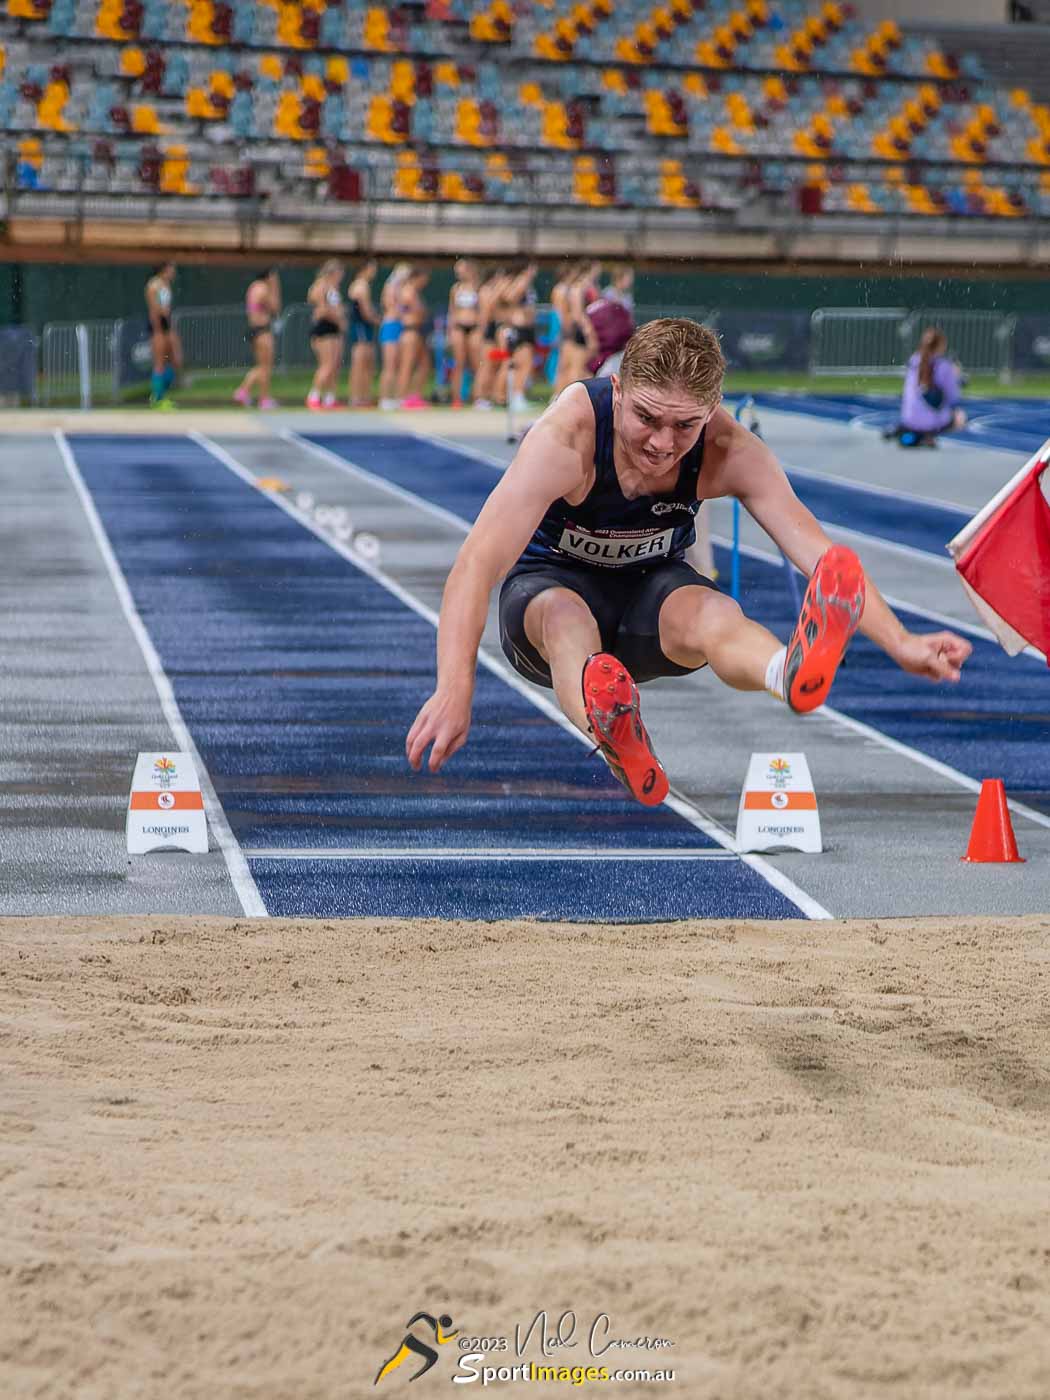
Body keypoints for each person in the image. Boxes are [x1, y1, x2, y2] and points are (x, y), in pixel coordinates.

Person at [406, 318, 972, 805]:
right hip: (548, 590)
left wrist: (901, 643)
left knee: (713, 611)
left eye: (685, 426)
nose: (662, 443)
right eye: (648, 418)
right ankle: (612, 732)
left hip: (654, 598)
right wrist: (454, 687)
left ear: (713, 411)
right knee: (564, 620)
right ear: (617, 389)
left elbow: (825, 562)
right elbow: (477, 565)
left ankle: (788, 672)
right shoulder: (568, 437)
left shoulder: (729, 449)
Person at [885, 327, 967, 447]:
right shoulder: (945, 366)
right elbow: (952, 397)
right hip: (931, 420)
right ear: (941, 346)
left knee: (920, 414)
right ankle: (927, 435)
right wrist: (958, 378)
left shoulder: (914, 360)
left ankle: (910, 434)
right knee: (960, 416)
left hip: (908, 417)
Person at [234, 267, 281, 410]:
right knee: (265, 367)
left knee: (262, 366)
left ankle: (250, 394)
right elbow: (275, 307)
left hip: (255, 329)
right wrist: (275, 287)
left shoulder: (253, 287)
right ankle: (256, 396)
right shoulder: (264, 289)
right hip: (262, 330)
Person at [306, 258, 345, 411]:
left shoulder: (332, 287)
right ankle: (313, 396)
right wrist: (338, 319)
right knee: (326, 365)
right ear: (333, 272)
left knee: (334, 365)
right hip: (324, 328)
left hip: (334, 328)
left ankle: (330, 398)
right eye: (340, 273)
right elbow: (322, 310)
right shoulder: (320, 286)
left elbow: (335, 306)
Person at [145, 262, 182, 410]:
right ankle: (157, 399)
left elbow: (167, 309)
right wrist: (159, 331)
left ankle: (160, 395)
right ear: (164, 269)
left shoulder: (166, 285)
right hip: (158, 327)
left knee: (175, 362)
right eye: (172, 268)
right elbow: (155, 309)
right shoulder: (154, 285)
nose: (174, 271)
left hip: (167, 326)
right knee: (160, 363)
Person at [346, 258, 380, 408]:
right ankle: (356, 397)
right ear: (365, 268)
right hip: (361, 327)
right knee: (360, 363)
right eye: (373, 268)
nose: (375, 271)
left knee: (366, 364)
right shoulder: (361, 285)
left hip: (364, 326)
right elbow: (366, 311)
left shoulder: (361, 285)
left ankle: (363, 396)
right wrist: (379, 321)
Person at [447, 257, 481, 409]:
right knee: (458, 364)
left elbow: (482, 309)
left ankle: (478, 397)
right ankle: (456, 398)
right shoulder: (456, 288)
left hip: (474, 327)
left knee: (476, 364)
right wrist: (450, 331)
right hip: (459, 327)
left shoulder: (478, 287)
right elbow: (452, 311)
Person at [396, 266, 431, 410]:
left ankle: (414, 396)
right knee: (407, 366)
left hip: (417, 331)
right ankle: (401, 398)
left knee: (424, 364)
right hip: (410, 332)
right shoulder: (408, 291)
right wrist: (422, 311)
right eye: (423, 279)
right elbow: (419, 310)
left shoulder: (413, 292)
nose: (425, 283)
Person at [377, 262, 410, 411]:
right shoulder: (391, 288)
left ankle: (394, 397)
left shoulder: (400, 289)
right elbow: (392, 308)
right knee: (389, 366)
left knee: (396, 365)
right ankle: (384, 398)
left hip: (398, 326)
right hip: (391, 326)